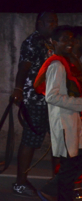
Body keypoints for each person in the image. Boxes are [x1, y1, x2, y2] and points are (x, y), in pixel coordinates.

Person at [11, 12, 58, 197]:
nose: (54, 24)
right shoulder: (33, 41)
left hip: (52, 98)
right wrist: (18, 89)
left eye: (56, 21)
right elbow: (24, 67)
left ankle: (58, 181)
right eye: (50, 21)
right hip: (36, 99)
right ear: (40, 22)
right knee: (30, 140)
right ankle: (20, 183)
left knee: (57, 142)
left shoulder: (50, 41)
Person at [34, 26, 82, 201]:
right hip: (64, 122)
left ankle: (53, 193)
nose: (69, 43)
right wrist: (79, 104)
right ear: (54, 42)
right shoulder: (57, 65)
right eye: (64, 39)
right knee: (69, 168)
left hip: (71, 120)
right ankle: (57, 195)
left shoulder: (67, 63)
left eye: (71, 39)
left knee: (72, 166)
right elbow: (52, 96)